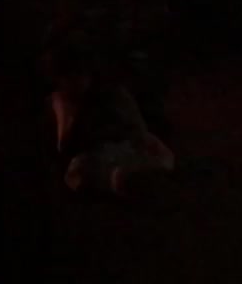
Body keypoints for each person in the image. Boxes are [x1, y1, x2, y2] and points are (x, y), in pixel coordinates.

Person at [49, 42, 174, 196]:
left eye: (80, 73)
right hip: (95, 159)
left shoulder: (112, 95)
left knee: (158, 153)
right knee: (84, 170)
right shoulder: (61, 102)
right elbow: (64, 145)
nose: (77, 81)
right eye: (70, 76)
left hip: (125, 149)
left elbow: (137, 130)